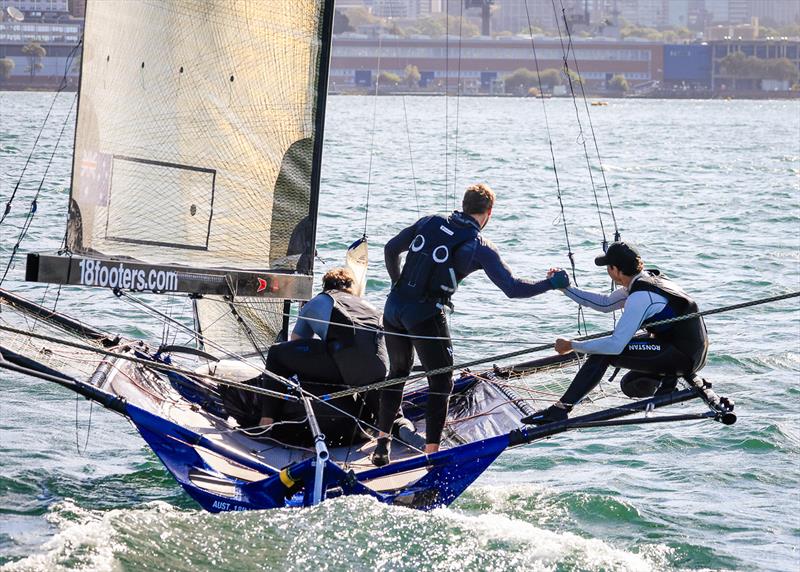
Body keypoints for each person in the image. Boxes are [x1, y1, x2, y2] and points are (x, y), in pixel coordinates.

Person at [372, 183, 568, 466]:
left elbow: (391, 248)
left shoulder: (431, 221)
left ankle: (382, 444)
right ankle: (432, 457)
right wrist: (550, 283)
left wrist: (396, 282)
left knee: (398, 372)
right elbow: (513, 288)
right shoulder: (479, 246)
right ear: (488, 213)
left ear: (464, 205)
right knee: (441, 382)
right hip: (425, 316)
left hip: (393, 308)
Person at [522, 241, 709, 425]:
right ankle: (667, 378)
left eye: (608, 267)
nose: (608, 271)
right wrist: (565, 288)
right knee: (628, 377)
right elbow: (605, 304)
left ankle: (560, 410)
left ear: (616, 270)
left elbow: (615, 345)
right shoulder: (645, 280)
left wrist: (572, 346)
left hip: (683, 356)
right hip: (687, 351)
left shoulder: (640, 297)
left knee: (603, 353)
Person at [222, 267, 388, 446]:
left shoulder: (320, 300)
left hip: (348, 363)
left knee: (277, 353)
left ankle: (267, 421)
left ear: (325, 286)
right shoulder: (364, 305)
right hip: (381, 366)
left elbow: (296, 342)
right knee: (350, 363)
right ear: (351, 288)